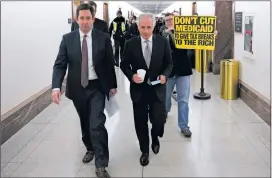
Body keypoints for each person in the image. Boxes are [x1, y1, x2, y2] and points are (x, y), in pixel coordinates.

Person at [51, 4, 117, 178]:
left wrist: (112, 85)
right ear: (77, 19)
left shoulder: (103, 38)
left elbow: (110, 64)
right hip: (77, 88)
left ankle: (101, 164)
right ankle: (90, 147)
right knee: (85, 122)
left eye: (89, 18)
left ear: (93, 19)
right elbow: (60, 65)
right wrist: (56, 87)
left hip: (97, 87)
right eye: (82, 18)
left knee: (97, 123)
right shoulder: (67, 39)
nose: (85, 22)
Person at [120, 13, 173, 166]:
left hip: (157, 89)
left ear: (154, 26)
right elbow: (123, 64)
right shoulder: (130, 44)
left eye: (148, 27)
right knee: (140, 121)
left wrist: (165, 75)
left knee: (158, 120)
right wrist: (132, 76)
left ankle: (155, 136)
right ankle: (144, 150)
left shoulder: (162, 42)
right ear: (138, 27)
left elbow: (169, 64)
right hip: (139, 90)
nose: (145, 31)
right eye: (142, 27)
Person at [162, 13, 192, 137]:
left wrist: (211, 36)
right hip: (168, 72)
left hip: (183, 70)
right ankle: (165, 112)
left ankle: (184, 126)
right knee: (166, 96)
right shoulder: (163, 33)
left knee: (183, 100)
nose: (169, 21)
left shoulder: (184, 32)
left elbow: (191, 46)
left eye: (171, 19)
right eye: (167, 20)